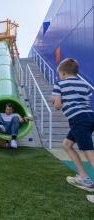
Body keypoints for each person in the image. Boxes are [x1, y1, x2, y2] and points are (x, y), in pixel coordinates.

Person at [51, 58, 94, 192]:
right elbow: (85, 101)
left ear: (63, 73)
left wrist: (54, 99)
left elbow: (57, 105)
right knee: (66, 144)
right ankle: (84, 177)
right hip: (89, 116)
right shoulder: (84, 84)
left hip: (78, 119)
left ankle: (85, 178)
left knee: (89, 152)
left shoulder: (59, 84)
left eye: (59, 74)